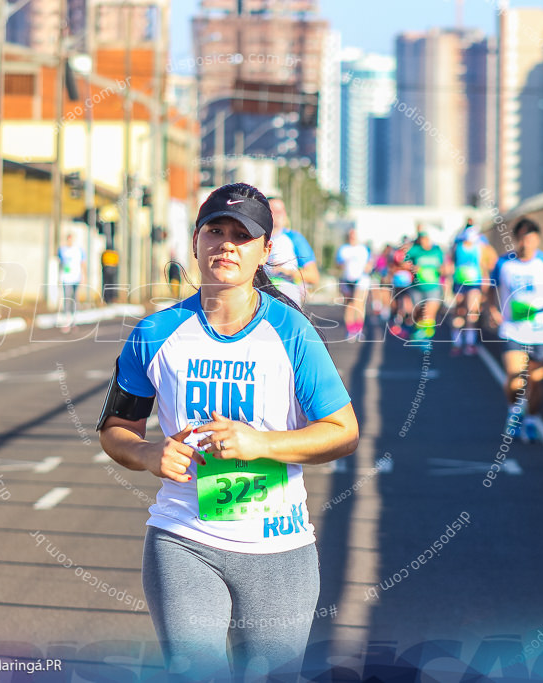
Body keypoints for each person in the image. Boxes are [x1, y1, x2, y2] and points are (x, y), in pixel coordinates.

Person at [97, 182, 359, 681]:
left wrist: (263, 443)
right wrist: (149, 453)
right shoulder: (154, 333)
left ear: (264, 251)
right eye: (215, 230)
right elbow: (115, 429)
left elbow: (343, 432)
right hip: (183, 539)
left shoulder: (290, 331)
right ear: (195, 241)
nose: (226, 244)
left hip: (278, 551)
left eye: (243, 235)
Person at [487, 218, 543, 443]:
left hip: (540, 331)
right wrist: (493, 310)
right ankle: (514, 412)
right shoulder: (504, 264)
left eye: (531, 237)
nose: (527, 242)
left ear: (538, 239)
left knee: (535, 380)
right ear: (515, 239)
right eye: (522, 237)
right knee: (515, 376)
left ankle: (531, 421)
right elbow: (491, 291)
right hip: (512, 329)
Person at [448, 220, 497, 356]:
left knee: (472, 311)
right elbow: (451, 263)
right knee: (458, 312)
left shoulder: (481, 247)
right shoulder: (457, 246)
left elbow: (490, 262)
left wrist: (486, 280)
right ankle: (456, 342)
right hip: (459, 283)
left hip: (474, 283)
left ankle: (470, 342)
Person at [264, 196, 319, 306]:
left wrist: (286, 271)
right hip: (262, 301)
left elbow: (313, 276)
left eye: (281, 210)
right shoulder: (255, 239)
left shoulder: (294, 238)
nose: (278, 214)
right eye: (273, 210)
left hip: (288, 301)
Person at [403, 228, 447, 343]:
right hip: (417, 287)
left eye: (426, 239)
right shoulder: (415, 251)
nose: (424, 241)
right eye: (422, 239)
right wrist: (412, 267)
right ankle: (420, 331)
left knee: (429, 313)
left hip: (433, 287)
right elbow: (403, 263)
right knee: (419, 314)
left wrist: (442, 270)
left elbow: (444, 267)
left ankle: (426, 338)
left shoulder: (437, 251)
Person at [335, 230, 372, 341]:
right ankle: (351, 330)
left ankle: (358, 329)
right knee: (349, 306)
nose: (352, 238)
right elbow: (338, 264)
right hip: (347, 280)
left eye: (354, 236)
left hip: (361, 280)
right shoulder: (343, 249)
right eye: (351, 236)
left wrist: (367, 267)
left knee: (358, 304)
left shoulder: (363, 249)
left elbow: (370, 264)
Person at [58, 234, 86, 321]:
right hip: (66, 278)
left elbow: (83, 263)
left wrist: (84, 276)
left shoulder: (79, 250)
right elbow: (60, 263)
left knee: (74, 298)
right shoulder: (62, 250)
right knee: (67, 297)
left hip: (76, 277)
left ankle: (74, 318)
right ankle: (67, 318)